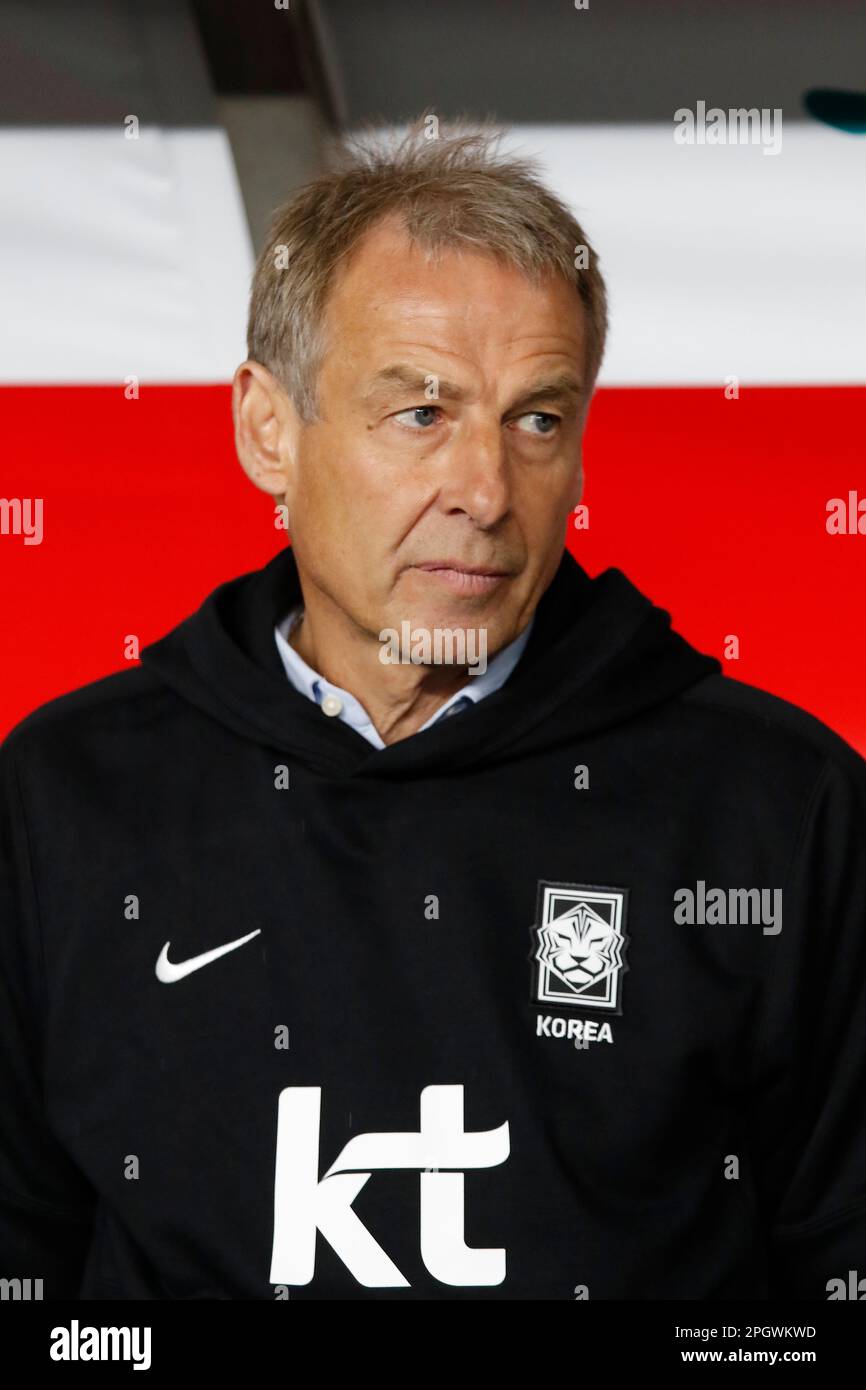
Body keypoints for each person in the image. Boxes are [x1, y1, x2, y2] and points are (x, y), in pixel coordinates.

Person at [1, 120, 864, 1300]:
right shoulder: (63, 795)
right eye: (420, 413)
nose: (483, 489)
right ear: (268, 429)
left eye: (537, 418)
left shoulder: (777, 804)